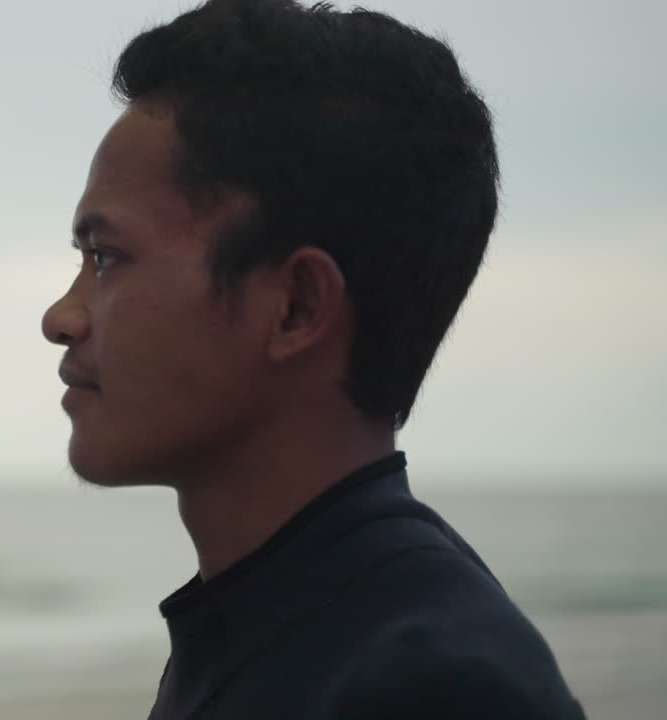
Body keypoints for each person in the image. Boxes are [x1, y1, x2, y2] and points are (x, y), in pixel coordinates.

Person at [40, 1, 586, 717]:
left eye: (106, 256)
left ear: (296, 307)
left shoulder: (434, 686)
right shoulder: (277, 616)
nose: (60, 318)